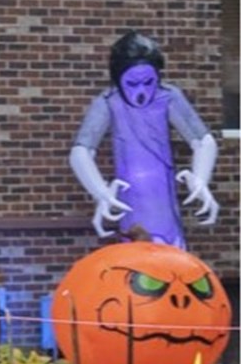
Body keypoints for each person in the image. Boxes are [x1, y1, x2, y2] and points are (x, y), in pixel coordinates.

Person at [70, 31, 220, 250]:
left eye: (148, 82)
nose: (141, 91)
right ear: (119, 79)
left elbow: (203, 140)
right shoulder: (109, 101)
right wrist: (100, 192)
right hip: (130, 201)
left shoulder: (167, 96)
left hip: (164, 200)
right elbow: (81, 151)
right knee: (136, 257)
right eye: (132, 83)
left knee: (172, 253)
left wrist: (200, 180)